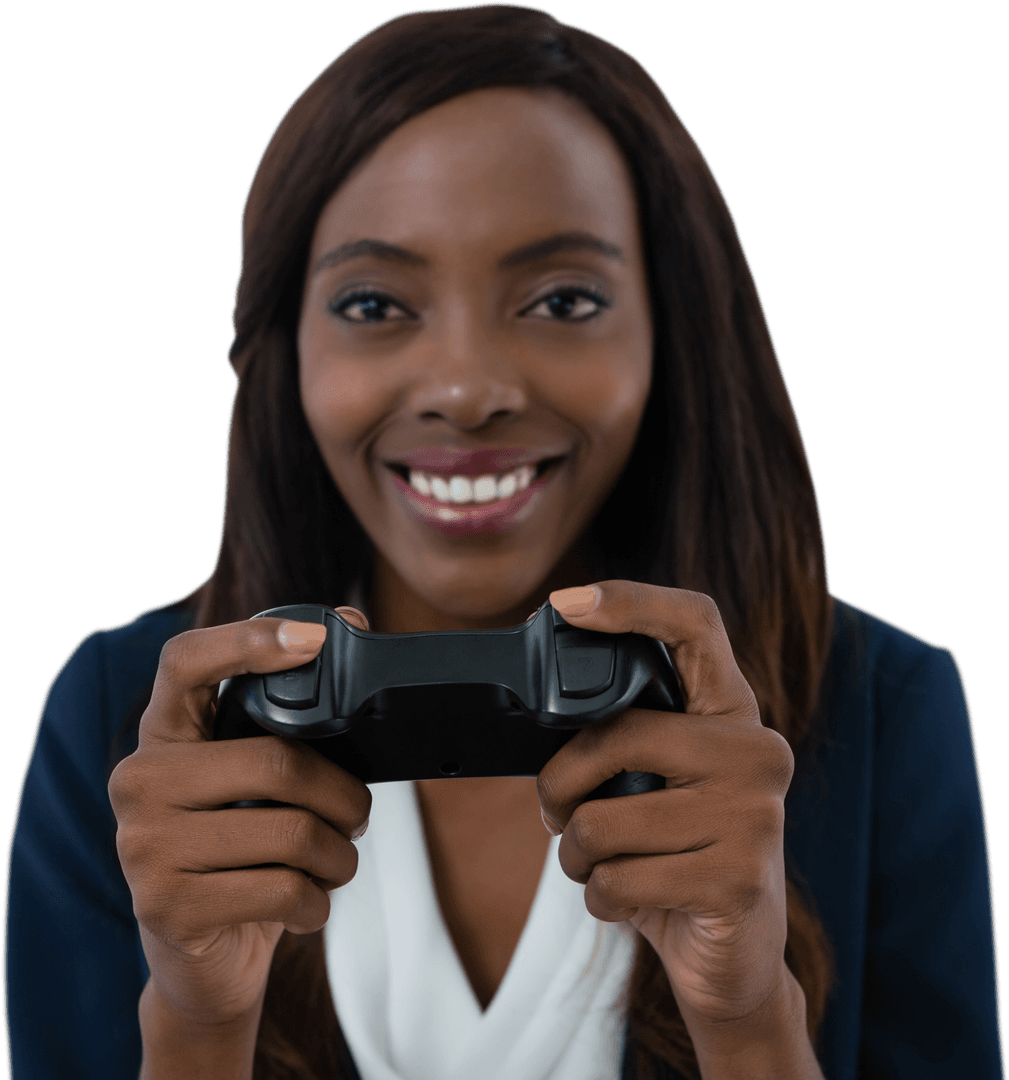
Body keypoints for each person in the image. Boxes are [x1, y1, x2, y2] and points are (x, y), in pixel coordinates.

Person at [5, 6, 1002, 1079]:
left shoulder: (881, 712)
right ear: (282, 346)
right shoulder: (124, 720)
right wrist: (197, 1028)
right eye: (375, 301)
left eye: (564, 298)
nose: (468, 390)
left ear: (672, 332)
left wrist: (750, 1014)